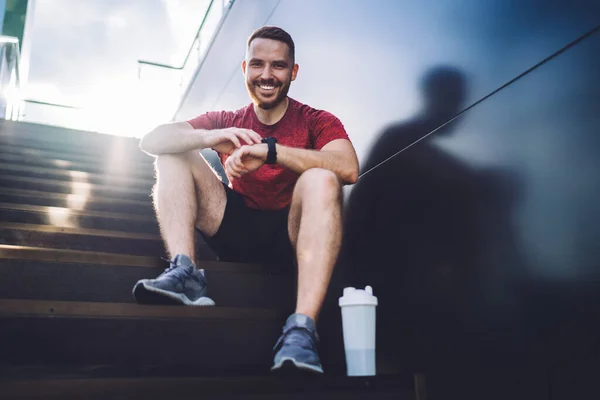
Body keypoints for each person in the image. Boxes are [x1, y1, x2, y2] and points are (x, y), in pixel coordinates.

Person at [132, 25, 359, 374]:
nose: (266, 75)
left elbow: (348, 168)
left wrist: (271, 152)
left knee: (322, 179)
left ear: (293, 72)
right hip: (235, 227)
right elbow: (152, 140)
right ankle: (185, 272)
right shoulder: (228, 120)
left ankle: (301, 329)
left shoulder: (316, 120)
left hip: (292, 234)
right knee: (174, 152)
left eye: (278, 66)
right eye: (257, 64)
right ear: (244, 68)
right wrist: (211, 136)